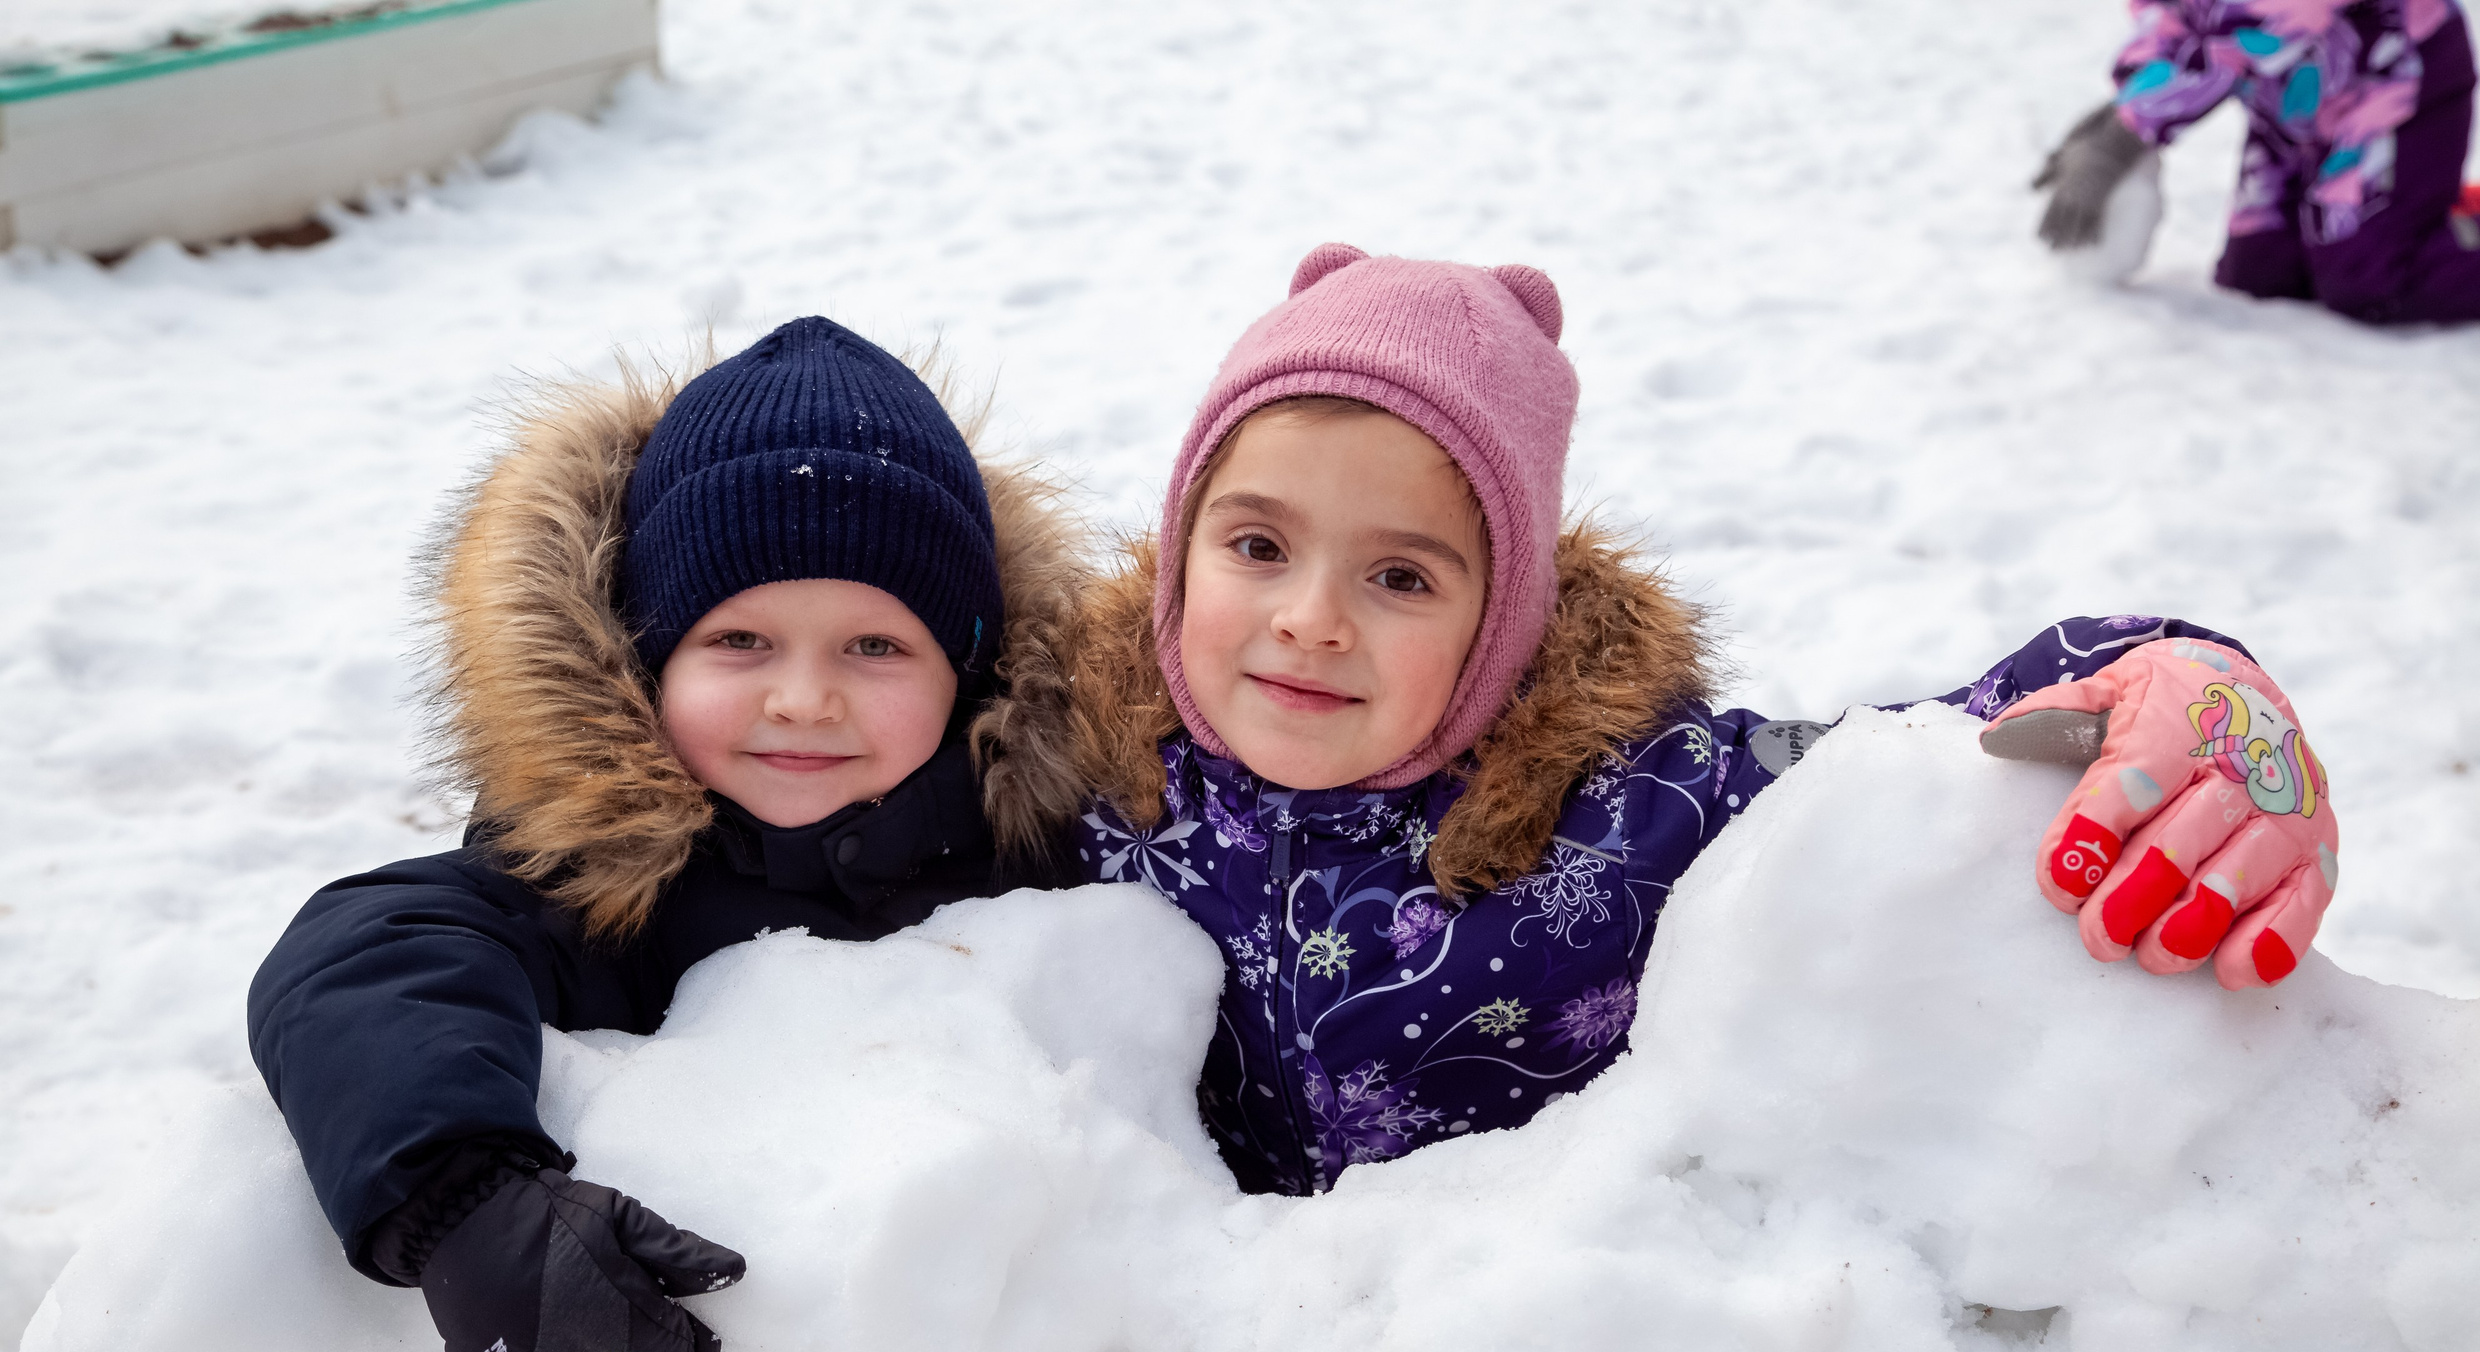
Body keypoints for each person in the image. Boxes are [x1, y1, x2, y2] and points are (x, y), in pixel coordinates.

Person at [975, 245, 2340, 1199]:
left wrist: (2192, 688)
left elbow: (1936, 749)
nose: (1311, 618)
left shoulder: (1645, 804)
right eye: (1257, 544)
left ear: (1506, 609)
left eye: (1401, 575)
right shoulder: (1074, 769)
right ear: (1179, 549)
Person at [249, 318, 1085, 1352]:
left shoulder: (1044, 855)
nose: (802, 698)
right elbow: (369, 953)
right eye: (739, 639)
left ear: (971, 669)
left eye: (876, 648)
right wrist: (464, 1208)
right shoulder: (592, 877)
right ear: (646, 661)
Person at [2034, 0, 2480, 323]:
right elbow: (2168, 16)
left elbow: (2262, 24)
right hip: (2292, 104)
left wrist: (2126, 132)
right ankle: (2423, 212)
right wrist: (2125, 105)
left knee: (2369, 280)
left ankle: (2412, 216)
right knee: (2260, 276)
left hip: (2393, 89)